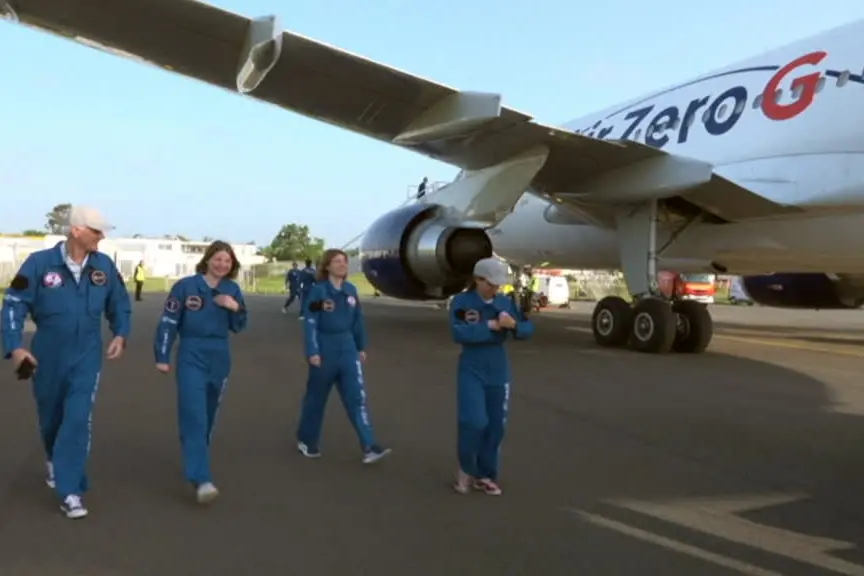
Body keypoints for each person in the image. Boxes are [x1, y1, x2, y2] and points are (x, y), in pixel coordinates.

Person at [1, 205, 131, 519]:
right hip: (47, 353)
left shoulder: (104, 266)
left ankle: (71, 491)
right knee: (51, 418)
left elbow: (120, 302)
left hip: (87, 354)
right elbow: (13, 304)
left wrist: (120, 333)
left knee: (77, 417)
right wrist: (15, 348)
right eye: (96, 231)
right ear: (76, 230)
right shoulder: (38, 264)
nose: (102, 237)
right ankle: (54, 459)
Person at [153, 240, 248, 504]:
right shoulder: (185, 287)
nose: (222, 264)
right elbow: (168, 322)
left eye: (227, 261)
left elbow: (239, 325)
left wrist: (235, 307)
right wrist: (162, 356)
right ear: (207, 260)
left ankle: (194, 455)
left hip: (219, 355)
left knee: (207, 416)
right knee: (194, 413)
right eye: (218, 259)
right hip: (191, 354)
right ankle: (201, 478)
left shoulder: (232, 289)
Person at [296, 249, 391, 464]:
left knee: (357, 397)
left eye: (344, 261)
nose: (342, 265)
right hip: (325, 348)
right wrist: (312, 351)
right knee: (316, 398)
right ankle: (306, 439)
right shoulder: (318, 292)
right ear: (327, 266)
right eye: (337, 261)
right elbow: (311, 322)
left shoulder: (350, 291)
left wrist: (360, 346)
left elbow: (358, 320)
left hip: (347, 348)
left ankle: (369, 445)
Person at [448, 257, 534, 496]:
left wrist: (514, 326)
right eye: (490, 284)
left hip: (498, 369)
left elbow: (528, 329)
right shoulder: (462, 302)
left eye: (498, 284)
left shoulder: (505, 302)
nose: (495, 288)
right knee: (474, 421)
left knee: (496, 426)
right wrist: (490, 326)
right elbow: (458, 332)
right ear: (478, 279)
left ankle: (486, 475)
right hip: (471, 367)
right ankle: (466, 467)